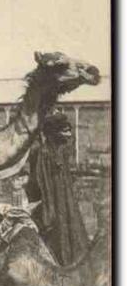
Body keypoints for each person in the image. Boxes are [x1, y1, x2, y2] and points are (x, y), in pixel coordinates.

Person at [24, 112, 90, 267]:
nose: (67, 136)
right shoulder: (43, 153)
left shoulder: (59, 151)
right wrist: (45, 204)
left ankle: (68, 261)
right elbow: (39, 181)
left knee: (67, 226)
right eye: (63, 132)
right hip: (51, 201)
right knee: (55, 231)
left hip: (63, 200)